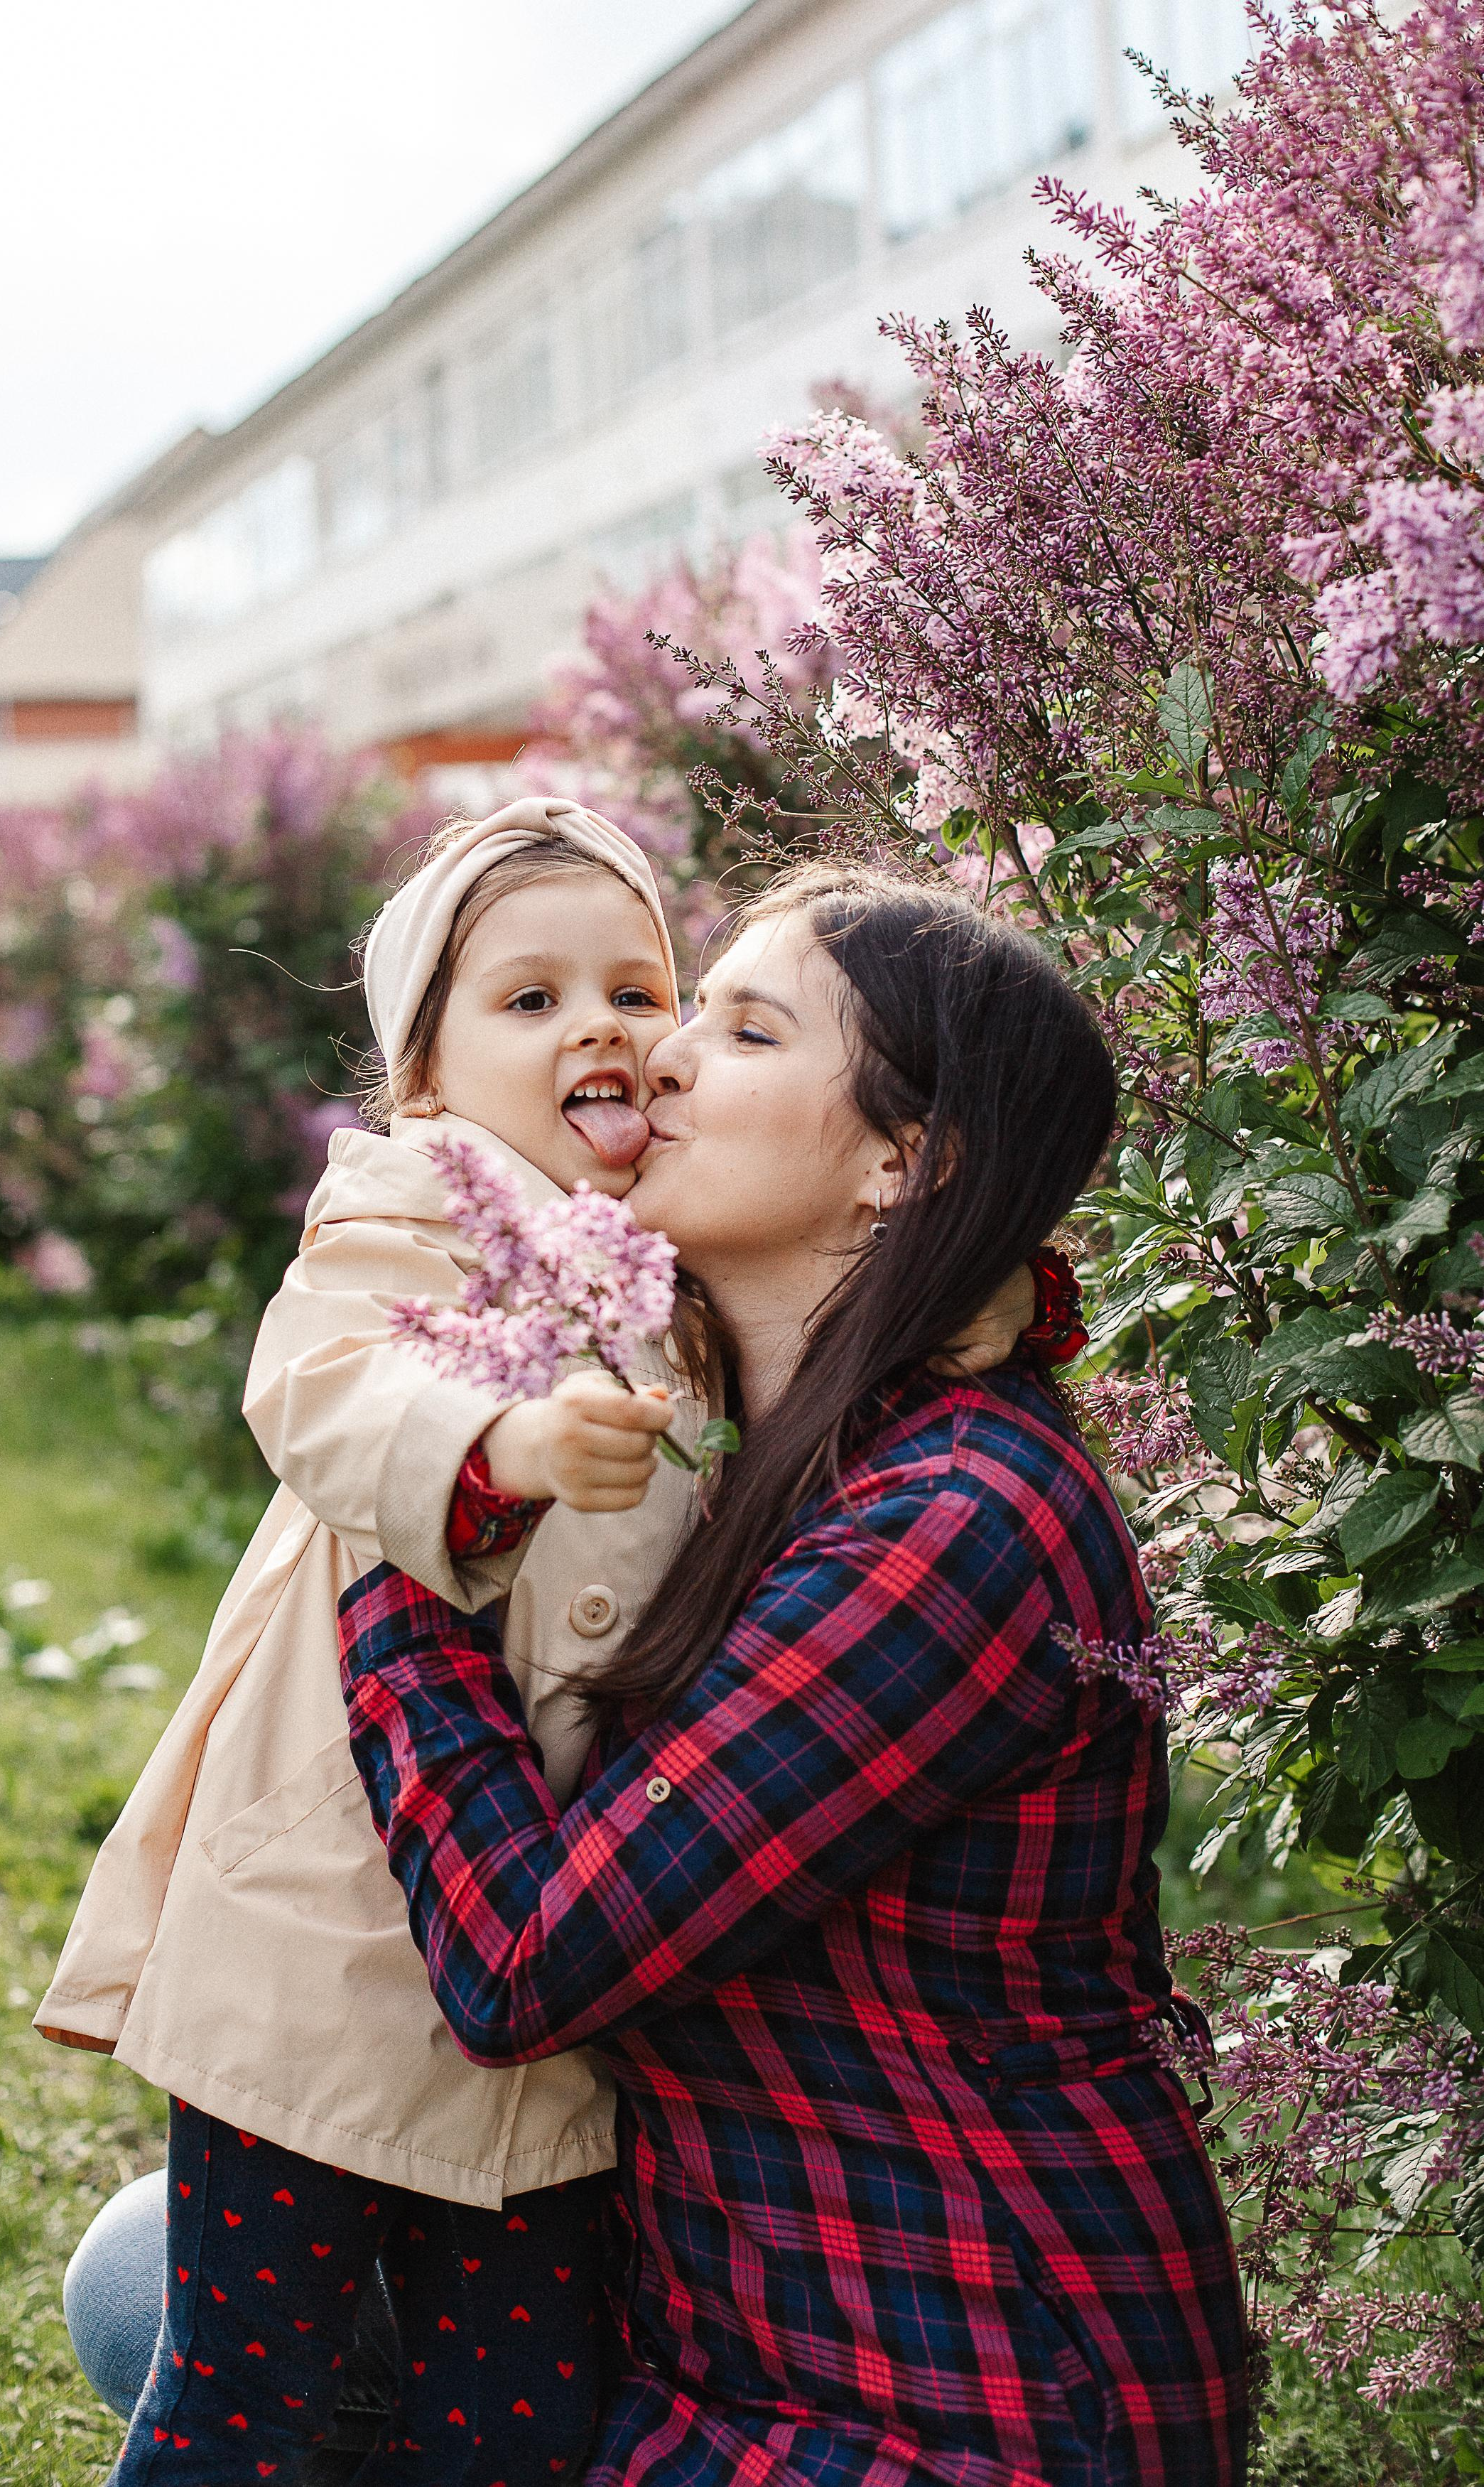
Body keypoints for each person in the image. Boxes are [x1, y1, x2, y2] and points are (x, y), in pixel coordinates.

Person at [44, 804, 1042, 2486]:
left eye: (642, 987)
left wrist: (978, 1288)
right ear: (422, 1077)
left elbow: (859, 1314)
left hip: (555, 1992)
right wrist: (492, 1451)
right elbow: (325, 1384)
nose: (602, 1025)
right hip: (334, 1950)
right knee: (243, 2392)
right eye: (526, 999)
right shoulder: (422, 1196)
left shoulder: (683, 1257)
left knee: (516, 2421)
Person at [337, 865, 1251, 2487]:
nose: (660, 1055)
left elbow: (531, 1965)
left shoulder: (958, 1523)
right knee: (161, 2271)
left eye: (744, 1029)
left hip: (969, 2402)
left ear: (908, 1163)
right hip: (721, 2345)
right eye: (692, 1006)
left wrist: (397, 1559)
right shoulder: (731, 1462)